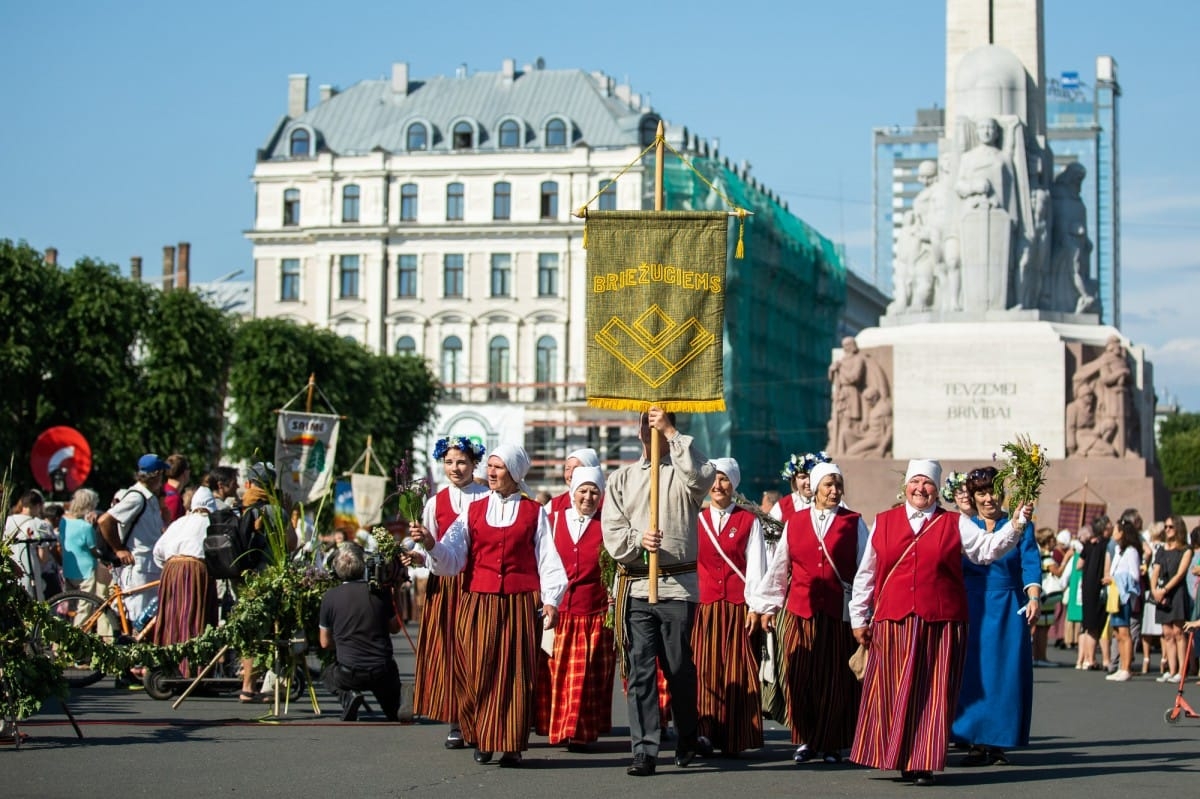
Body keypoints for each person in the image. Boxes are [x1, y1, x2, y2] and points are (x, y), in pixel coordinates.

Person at [849, 459, 1032, 786]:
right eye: (915, 483)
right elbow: (867, 573)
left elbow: (986, 551)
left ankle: (923, 761)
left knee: (932, 694)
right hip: (894, 620)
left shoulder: (954, 523)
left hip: (941, 621)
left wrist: (1016, 523)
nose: (921, 489)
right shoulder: (884, 521)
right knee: (893, 691)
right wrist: (859, 616)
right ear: (906, 486)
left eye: (928, 484)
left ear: (937, 489)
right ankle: (897, 755)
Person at [415, 443, 567, 767]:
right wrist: (431, 544)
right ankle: (482, 736)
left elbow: (548, 560)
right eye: (491, 467)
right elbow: (452, 558)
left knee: (515, 674)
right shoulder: (472, 511)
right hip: (478, 601)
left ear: (514, 473)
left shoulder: (534, 513)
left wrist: (552, 600)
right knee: (477, 671)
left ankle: (511, 744)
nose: (491, 473)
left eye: (498, 467)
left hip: (519, 602)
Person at [602, 406, 715, 777]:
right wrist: (639, 540)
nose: (650, 431)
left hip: (677, 587)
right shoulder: (621, 479)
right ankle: (645, 749)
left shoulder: (684, 475)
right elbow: (614, 534)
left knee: (679, 668)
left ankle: (686, 733)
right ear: (638, 433)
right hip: (636, 586)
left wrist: (670, 433)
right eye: (647, 425)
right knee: (640, 671)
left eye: (659, 426)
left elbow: (703, 477)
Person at [750, 461, 868, 764]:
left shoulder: (854, 522)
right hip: (801, 611)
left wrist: (864, 612)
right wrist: (766, 606)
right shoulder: (797, 522)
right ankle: (805, 738)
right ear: (815, 488)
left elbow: (867, 569)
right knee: (800, 676)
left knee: (833, 679)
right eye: (828, 484)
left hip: (837, 613)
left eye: (838, 484)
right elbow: (780, 568)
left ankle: (830, 742)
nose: (834, 490)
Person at [950, 467, 1041, 766]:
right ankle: (974, 739)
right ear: (972, 497)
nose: (988, 498)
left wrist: (1034, 597)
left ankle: (998, 742)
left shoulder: (1020, 525)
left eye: (992, 491)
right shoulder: (964, 526)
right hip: (971, 605)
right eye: (981, 493)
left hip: (1008, 606)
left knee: (1004, 675)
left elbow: (1030, 562)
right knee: (972, 674)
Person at [407, 435, 488, 749]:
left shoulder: (486, 496)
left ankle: (480, 718)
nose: (455, 468)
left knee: (479, 651)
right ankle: (456, 721)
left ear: (474, 464)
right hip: (446, 587)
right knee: (451, 652)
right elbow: (429, 548)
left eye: (462, 462)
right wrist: (417, 557)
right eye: (450, 462)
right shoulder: (435, 502)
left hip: (477, 582)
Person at [535, 465, 615, 751]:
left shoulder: (608, 524)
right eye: (583, 490)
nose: (588, 497)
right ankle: (559, 727)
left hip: (594, 611)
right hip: (559, 612)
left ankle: (579, 731)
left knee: (587, 676)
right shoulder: (552, 519)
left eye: (594, 491)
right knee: (557, 674)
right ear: (572, 492)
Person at [693, 457, 767, 757]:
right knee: (704, 670)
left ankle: (736, 734)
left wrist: (755, 606)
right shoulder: (695, 520)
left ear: (733, 484)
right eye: (714, 479)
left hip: (738, 607)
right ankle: (704, 733)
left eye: (724, 479)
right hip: (705, 606)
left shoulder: (748, 521)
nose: (718, 485)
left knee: (738, 670)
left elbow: (757, 567)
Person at [319, 543, 403, 721]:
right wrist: (396, 593)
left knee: (327, 674)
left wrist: (343, 643)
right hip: (382, 671)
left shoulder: (329, 597)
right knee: (394, 713)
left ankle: (348, 697)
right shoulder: (381, 592)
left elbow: (325, 643)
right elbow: (395, 628)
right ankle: (395, 706)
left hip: (349, 672)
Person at [152, 487, 220, 674]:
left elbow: (158, 551)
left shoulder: (179, 522)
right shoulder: (212, 523)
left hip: (170, 568)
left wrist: (170, 568)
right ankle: (192, 670)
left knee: (172, 617)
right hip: (196, 569)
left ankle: (168, 668)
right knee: (194, 617)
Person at [96, 454, 168, 624]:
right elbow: (105, 521)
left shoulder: (150, 498)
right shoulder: (137, 497)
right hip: (139, 569)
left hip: (149, 567)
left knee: (145, 621)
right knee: (136, 620)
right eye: (162, 475)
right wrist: (119, 549)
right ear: (156, 474)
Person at [1150, 515, 1193, 683]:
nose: (1167, 530)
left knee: (1178, 632)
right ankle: (1171, 669)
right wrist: (1154, 590)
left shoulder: (1185, 550)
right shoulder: (1161, 549)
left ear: (1178, 529)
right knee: (1167, 633)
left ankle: (1182, 672)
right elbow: (1155, 570)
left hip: (1176, 593)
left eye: (1170, 527)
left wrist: (1165, 590)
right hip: (1161, 592)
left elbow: (1180, 573)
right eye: (1165, 527)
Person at [1102, 509, 1144, 682]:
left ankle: (1126, 668)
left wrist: (1114, 578)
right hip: (1115, 595)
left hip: (1124, 595)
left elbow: (1134, 575)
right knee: (1117, 633)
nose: (1113, 533)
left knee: (1125, 632)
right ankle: (1121, 667)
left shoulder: (1132, 551)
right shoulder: (1119, 551)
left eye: (1116, 530)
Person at [4, 489, 54, 600]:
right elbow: (43, 557)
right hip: (29, 566)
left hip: (9, 565)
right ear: (37, 505)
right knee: (32, 600)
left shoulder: (7, 521)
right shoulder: (39, 524)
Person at [1077, 514, 1112, 670]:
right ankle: (1104, 659)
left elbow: (1079, 564)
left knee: (1089, 625)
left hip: (1087, 586)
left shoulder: (1089, 545)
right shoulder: (1107, 545)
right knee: (1101, 625)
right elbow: (1107, 566)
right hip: (1100, 587)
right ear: (1105, 528)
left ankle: (1089, 659)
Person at [60, 488, 105, 596]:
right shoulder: (86, 527)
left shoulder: (63, 522)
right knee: (85, 609)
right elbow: (94, 550)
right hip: (87, 571)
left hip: (68, 569)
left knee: (72, 606)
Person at [770, 452, 828, 526]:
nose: (809, 482)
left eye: (812, 476)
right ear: (794, 480)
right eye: (803, 477)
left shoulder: (831, 502)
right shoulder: (783, 507)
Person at [547, 447, 601, 526]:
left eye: (577, 469)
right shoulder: (553, 505)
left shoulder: (609, 504)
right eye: (567, 469)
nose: (571, 475)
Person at [162, 454, 191, 525]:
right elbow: (170, 528)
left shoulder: (163, 489)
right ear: (184, 472)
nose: (190, 471)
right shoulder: (173, 499)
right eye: (188, 468)